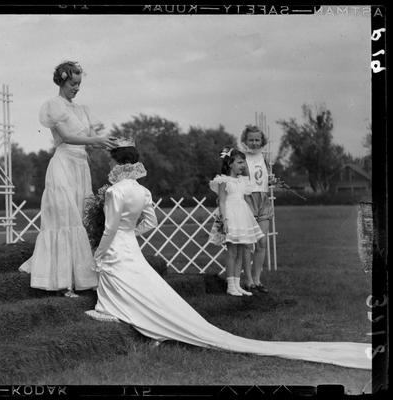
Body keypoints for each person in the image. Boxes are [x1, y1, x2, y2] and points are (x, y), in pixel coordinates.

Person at [85, 143, 370, 370]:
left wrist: (101, 250)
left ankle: (120, 311)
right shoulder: (143, 191)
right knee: (142, 282)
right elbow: (151, 224)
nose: (109, 166)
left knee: (120, 276)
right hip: (129, 244)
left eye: (111, 161)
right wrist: (130, 232)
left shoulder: (113, 192)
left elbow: (110, 227)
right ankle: (148, 319)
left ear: (118, 164)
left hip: (116, 244)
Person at [19, 61, 117, 297]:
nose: (76, 88)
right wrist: (96, 141)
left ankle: (78, 277)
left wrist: (111, 143)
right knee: (66, 218)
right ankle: (63, 283)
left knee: (81, 219)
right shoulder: (54, 106)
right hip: (63, 164)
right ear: (62, 81)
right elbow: (67, 138)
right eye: (73, 83)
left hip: (80, 166)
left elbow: (92, 137)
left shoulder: (82, 110)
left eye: (79, 84)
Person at [208, 148, 263, 296]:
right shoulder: (223, 180)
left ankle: (237, 285)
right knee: (232, 252)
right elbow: (222, 202)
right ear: (230, 163)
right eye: (239, 162)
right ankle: (230, 285)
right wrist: (225, 220)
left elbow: (245, 198)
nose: (243, 165)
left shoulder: (242, 181)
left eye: (244, 162)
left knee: (240, 251)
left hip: (242, 216)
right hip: (230, 216)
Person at [240, 125, 274, 293]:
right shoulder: (240, 157)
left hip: (263, 201)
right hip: (247, 200)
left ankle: (257, 279)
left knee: (262, 242)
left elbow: (265, 179)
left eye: (257, 140)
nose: (254, 143)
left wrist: (272, 181)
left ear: (262, 141)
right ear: (245, 141)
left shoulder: (264, 158)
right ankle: (248, 280)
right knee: (247, 243)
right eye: (251, 140)